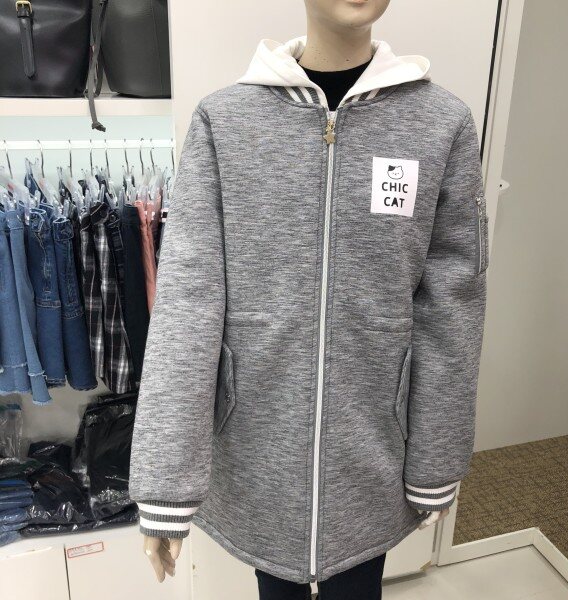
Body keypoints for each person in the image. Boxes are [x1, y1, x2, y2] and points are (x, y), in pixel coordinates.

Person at [128, 1, 488, 598]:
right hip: (259, 450)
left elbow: (452, 303)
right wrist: (166, 483)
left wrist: (436, 458)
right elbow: (188, 299)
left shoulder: (440, 123)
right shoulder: (226, 120)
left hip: (373, 450)